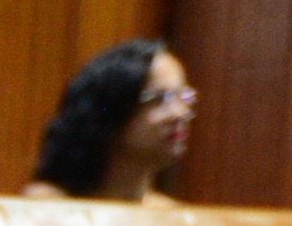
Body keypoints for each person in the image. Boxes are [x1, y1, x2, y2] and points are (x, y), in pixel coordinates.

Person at [24, 39, 197, 202]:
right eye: (160, 99)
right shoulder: (47, 205)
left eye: (184, 97)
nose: (181, 113)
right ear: (112, 110)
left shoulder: (171, 215)